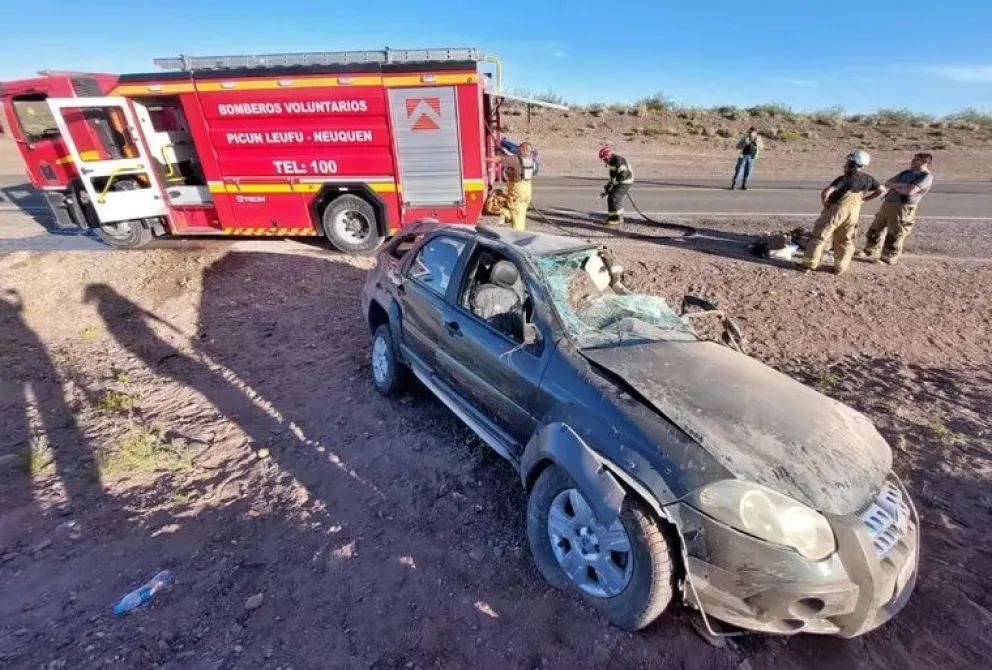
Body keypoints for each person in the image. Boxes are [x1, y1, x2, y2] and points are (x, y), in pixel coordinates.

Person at [798, 150, 885, 276]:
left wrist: (826, 205)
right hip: (853, 213)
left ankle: (808, 264)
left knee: (820, 237)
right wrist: (864, 200)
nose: (845, 165)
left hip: (836, 211)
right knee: (845, 240)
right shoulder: (869, 179)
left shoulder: (844, 179)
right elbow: (881, 190)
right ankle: (840, 268)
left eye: (848, 162)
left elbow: (825, 193)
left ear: (854, 165)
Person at [860, 153, 934, 265]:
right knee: (876, 227)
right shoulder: (906, 173)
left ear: (924, 162)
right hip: (888, 203)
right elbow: (888, 183)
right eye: (913, 159)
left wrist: (897, 186)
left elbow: (909, 191)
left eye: (916, 160)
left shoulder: (926, 177)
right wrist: (901, 185)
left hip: (902, 208)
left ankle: (888, 257)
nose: (912, 161)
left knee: (895, 232)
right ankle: (870, 250)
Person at [491, 140, 535, 230]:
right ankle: (519, 230)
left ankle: (517, 237)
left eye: (518, 149)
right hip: (526, 191)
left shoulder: (514, 160)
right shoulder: (529, 159)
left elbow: (497, 159)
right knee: (520, 215)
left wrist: (482, 158)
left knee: (516, 218)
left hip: (517, 193)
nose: (517, 151)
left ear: (521, 149)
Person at [598, 147, 634, 227]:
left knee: (614, 198)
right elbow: (613, 177)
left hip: (626, 181)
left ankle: (618, 220)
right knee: (611, 198)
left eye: (604, 159)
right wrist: (607, 188)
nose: (604, 161)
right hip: (619, 181)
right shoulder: (611, 162)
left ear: (608, 157)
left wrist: (614, 182)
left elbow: (623, 175)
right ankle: (612, 218)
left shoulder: (619, 161)